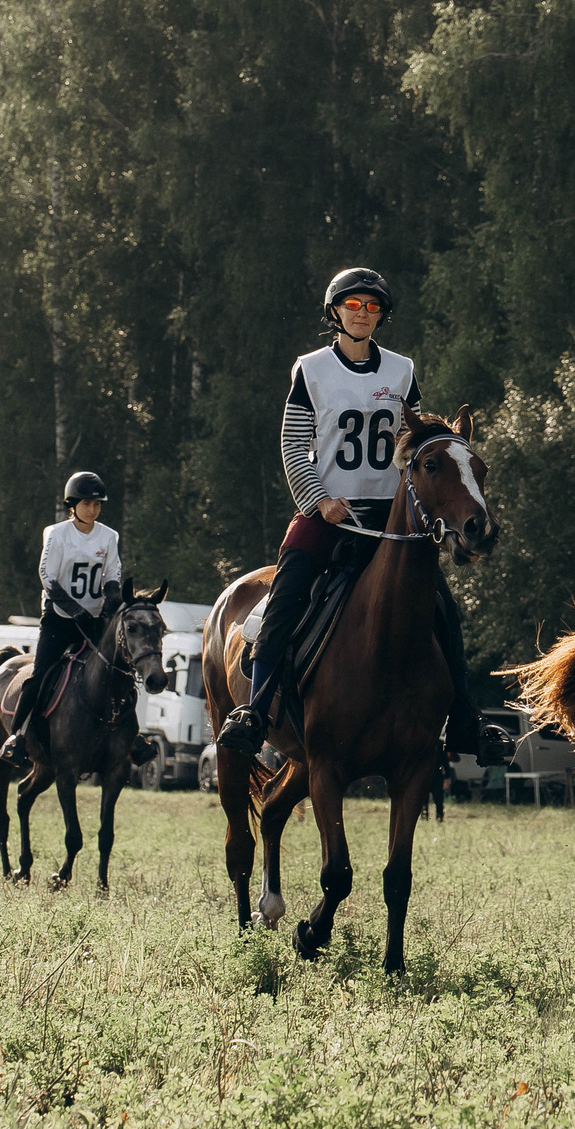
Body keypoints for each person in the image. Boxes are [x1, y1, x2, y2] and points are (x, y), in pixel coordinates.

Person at [216, 267, 510, 765]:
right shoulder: (310, 370)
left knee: (443, 612)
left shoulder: (401, 370)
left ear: (381, 315)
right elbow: (293, 444)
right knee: (285, 601)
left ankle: (465, 722)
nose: (362, 314)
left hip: (390, 518)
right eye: (353, 305)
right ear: (335, 312)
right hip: (328, 514)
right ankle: (255, 710)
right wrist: (318, 499)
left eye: (372, 307)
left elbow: (414, 440)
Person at [0, 471, 123, 763]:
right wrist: (74, 609)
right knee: (40, 676)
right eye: (87, 504)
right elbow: (47, 577)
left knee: (116, 670)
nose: (93, 509)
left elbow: (113, 572)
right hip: (59, 618)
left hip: (93, 619)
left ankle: (129, 735)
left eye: (97, 504)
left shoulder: (109, 536)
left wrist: (113, 598)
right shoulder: (56, 534)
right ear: (72, 505)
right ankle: (18, 736)